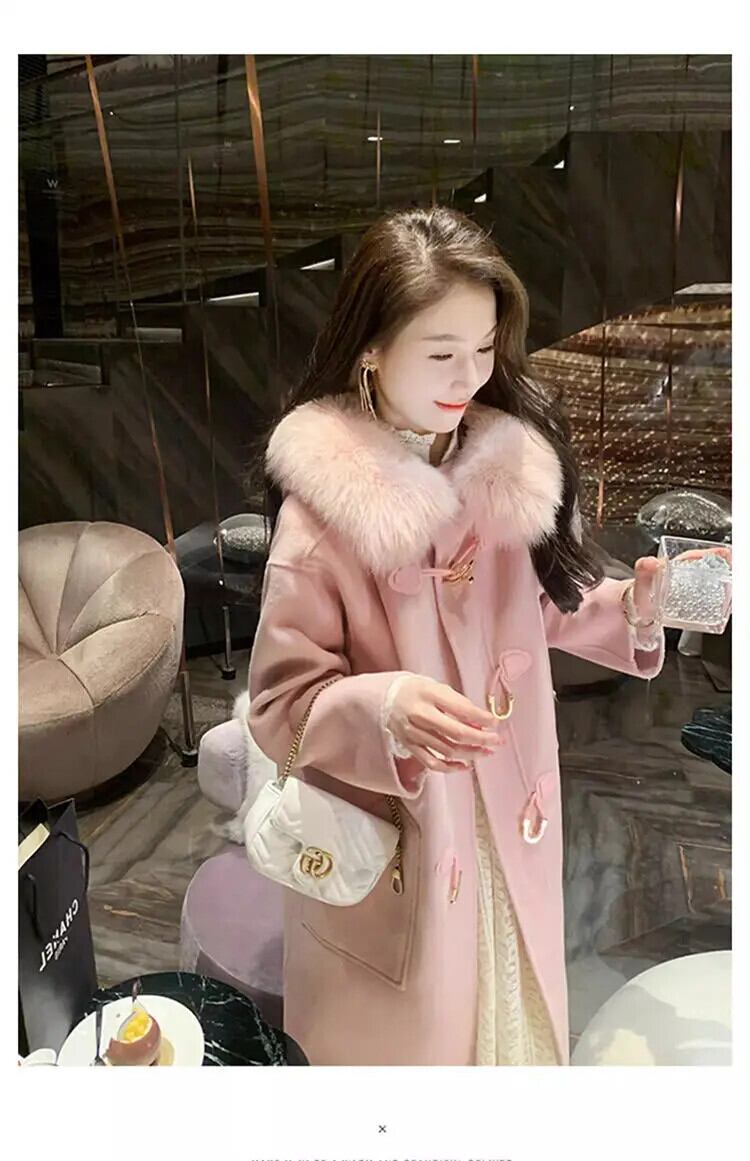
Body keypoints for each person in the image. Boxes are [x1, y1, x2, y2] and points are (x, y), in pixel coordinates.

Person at [246, 205, 666, 1066]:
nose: (470, 376)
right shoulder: (323, 514)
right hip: (402, 837)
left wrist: (631, 608)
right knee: (415, 1054)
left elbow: (538, 608)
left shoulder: (504, 471)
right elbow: (280, 704)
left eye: (484, 348)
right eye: (441, 353)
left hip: (508, 809)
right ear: (370, 347)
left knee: (509, 1027)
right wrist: (386, 705)